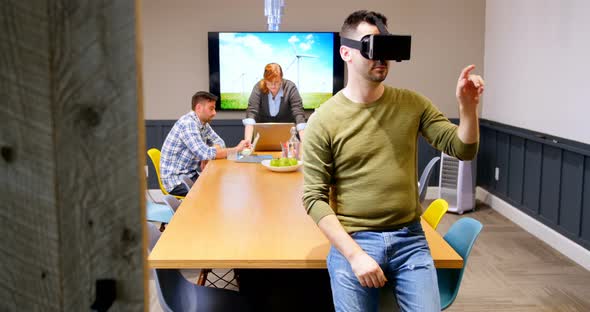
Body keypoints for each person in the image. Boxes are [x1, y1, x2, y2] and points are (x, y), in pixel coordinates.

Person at [302, 10, 484, 312]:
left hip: (410, 239)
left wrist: (467, 108)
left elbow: (462, 149)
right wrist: (355, 255)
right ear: (346, 52)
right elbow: (313, 197)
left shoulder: (412, 104)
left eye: (387, 47)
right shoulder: (324, 119)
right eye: (372, 47)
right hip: (354, 238)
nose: (382, 57)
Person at [160, 91, 250, 196]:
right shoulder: (188, 124)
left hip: (189, 175)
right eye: (211, 108)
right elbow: (205, 153)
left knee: (218, 186)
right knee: (212, 193)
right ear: (198, 108)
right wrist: (237, 149)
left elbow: (220, 143)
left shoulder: (202, 123)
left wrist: (207, 155)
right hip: (176, 181)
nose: (214, 113)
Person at [242, 63, 307, 142]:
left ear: (281, 79)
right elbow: (251, 114)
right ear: (265, 80)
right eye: (269, 82)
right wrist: (248, 141)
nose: (273, 85)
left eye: (276, 82)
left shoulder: (290, 87)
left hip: (287, 137)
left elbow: (298, 113)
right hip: (262, 137)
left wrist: (304, 143)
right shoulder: (258, 87)